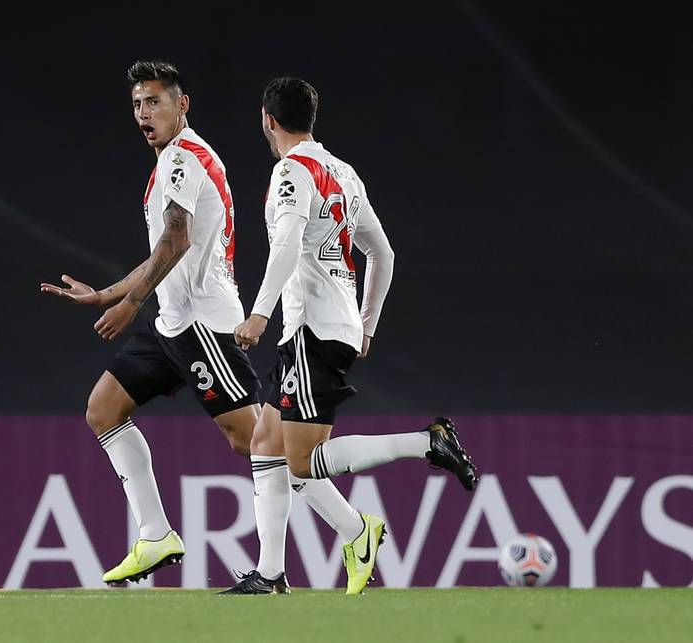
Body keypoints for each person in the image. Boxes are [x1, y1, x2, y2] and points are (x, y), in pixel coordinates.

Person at [40, 62, 368, 592]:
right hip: (170, 324)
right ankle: (155, 534)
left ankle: (353, 528)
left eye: (155, 102)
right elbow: (159, 255)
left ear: (182, 104)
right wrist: (106, 294)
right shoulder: (171, 161)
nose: (145, 113)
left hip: (203, 328)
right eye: (137, 105)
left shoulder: (184, 159)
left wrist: (130, 304)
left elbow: (176, 240)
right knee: (103, 409)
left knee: (259, 442)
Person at [223, 77, 478, 596]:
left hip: (310, 328)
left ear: (268, 121)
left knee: (303, 461)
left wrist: (258, 313)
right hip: (328, 327)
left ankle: (424, 445)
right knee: (264, 443)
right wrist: (366, 324)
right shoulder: (345, 174)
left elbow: (288, 244)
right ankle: (271, 572)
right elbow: (382, 254)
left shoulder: (292, 171)